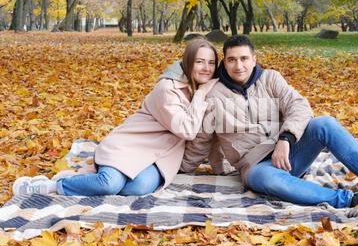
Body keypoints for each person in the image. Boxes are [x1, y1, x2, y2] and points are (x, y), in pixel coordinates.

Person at [181, 35, 358, 211]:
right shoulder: (213, 95)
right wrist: (176, 169)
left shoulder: (270, 79)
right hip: (257, 167)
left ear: (254, 59)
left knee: (324, 123)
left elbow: (299, 106)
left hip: (291, 156)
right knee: (262, 177)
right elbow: (201, 139)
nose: (238, 65)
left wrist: (286, 138)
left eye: (244, 58)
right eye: (232, 59)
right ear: (225, 62)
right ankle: (353, 199)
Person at [13, 39, 220, 196]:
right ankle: (54, 185)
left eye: (211, 63)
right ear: (188, 61)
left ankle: (83, 178)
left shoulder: (203, 89)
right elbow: (188, 130)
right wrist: (201, 94)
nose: (206, 68)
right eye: (199, 61)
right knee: (109, 184)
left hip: (158, 155)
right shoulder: (167, 88)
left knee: (139, 188)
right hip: (130, 144)